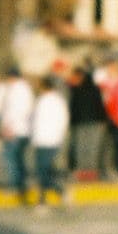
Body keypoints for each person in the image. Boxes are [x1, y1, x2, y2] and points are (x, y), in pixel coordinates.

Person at [30, 74, 71, 209]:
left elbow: (35, 120)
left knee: (43, 171)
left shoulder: (43, 101)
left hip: (46, 139)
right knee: (44, 170)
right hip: (49, 139)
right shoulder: (56, 101)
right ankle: (58, 191)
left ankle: (44, 198)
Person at [66, 63, 112, 180]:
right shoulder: (94, 89)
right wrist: (103, 120)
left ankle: (84, 171)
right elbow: (100, 106)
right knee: (90, 147)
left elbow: (73, 107)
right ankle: (88, 171)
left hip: (83, 123)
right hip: (93, 122)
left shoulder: (76, 90)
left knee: (83, 147)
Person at [0, 67, 35, 199]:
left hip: (14, 130)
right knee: (18, 158)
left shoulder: (16, 90)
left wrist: (8, 127)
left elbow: (14, 111)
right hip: (23, 130)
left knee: (11, 158)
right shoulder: (25, 89)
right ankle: (22, 184)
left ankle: (15, 185)